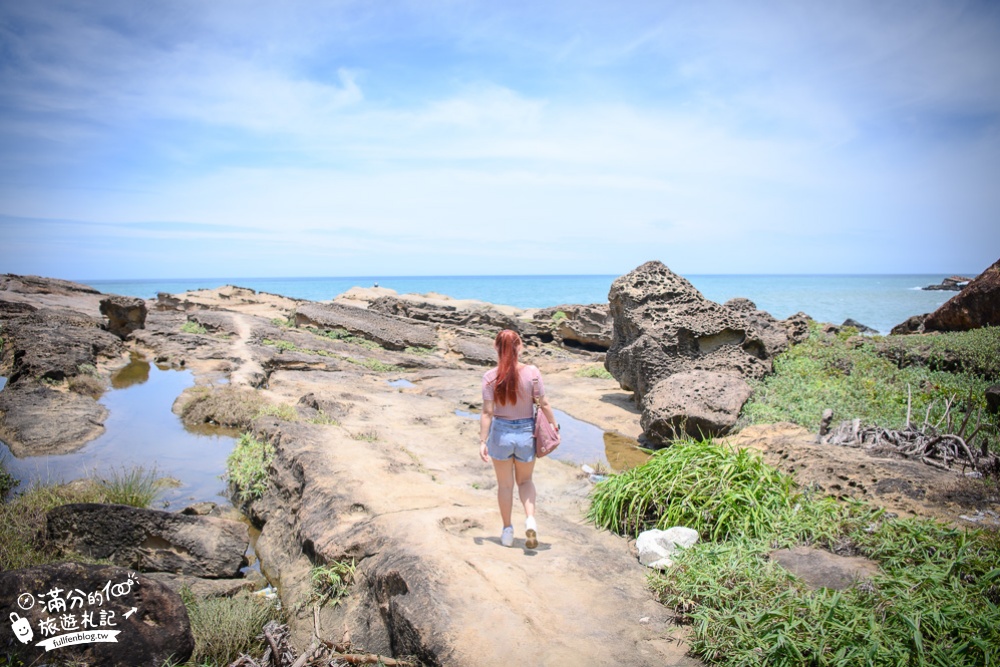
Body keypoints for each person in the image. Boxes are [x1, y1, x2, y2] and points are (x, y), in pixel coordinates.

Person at [479, 329, 558, 549]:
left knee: (505, 486)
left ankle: (507, 532)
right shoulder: (532, 372)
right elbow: (543, 403)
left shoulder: (489, 377)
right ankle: (530, 519)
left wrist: (482, 441)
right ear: (519, 346)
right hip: (526, 435)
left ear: (496, 348)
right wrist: (553, 425)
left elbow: (487, 412)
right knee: (525, 481)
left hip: (501, 434)